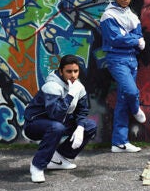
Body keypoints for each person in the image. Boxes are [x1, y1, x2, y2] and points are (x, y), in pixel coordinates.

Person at [24, 54, 97, 183]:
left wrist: (80, 127)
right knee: (56, 127)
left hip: (59, 123)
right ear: (61, 71)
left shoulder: (78, 87)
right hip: (34, 125)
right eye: (69, 71)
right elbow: (55, 114)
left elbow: (82, 110)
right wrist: (70, 95)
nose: (73, 75)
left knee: (89, 125)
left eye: (76, 71)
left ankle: (59, 158)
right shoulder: (52, 86)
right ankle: (37, 166)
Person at [100, 0, 146, 153]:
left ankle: (119, 142)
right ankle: (136, 110)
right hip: (117, 60)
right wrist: (134, 41)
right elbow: (114, 39)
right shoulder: (108, 16)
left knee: (122, 100)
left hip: (132, 60)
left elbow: (138, 34)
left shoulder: (132, 16)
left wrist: (129, 38)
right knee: (132, 92)